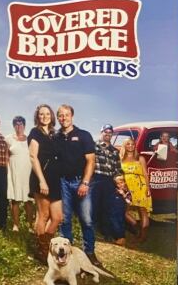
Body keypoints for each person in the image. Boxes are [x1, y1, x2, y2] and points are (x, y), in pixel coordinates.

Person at [56, 104, 102, 267]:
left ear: (72, 116)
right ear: (58, 118)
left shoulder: (83, 135)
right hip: (63, 182)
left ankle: (89, 253)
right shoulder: (56, 137)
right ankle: (67, 256)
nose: (63, 118)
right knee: (65, 220)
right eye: (60, 115)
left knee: (87, 220)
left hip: (81, 182)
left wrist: (85, 182)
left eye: (66, 115)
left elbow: (91, 161)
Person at [28, 104, 62, 260]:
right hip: (41, 178)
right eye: (41, 114)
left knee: (57, 217)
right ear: (37, 116)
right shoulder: (35, 132)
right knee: (43, 215)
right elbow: (33, 157)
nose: (44, 116)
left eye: (47, 113)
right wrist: (42, 181)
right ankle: (41, 250)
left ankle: (45, 242)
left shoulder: (55, 134)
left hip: (55, 179)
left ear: (51, 116)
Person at [91, 124, 122, 241]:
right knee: (93, 206)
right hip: (96, 179)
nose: (108, 134)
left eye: (110, 132)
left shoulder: (115, 151)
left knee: (107, 207)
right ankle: (91, 232)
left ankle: (106, 233)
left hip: (109, 181)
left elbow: (118, 169)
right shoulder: (94, 146)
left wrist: (120, 183)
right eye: (105, 132)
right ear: (101, 133)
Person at [5, 116, 35, 232]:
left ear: (24, 125)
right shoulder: (8, 139)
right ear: (14, 126)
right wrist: (7, 172)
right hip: (14, 172)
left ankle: (30, 225)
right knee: (15, 200)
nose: (19, 126)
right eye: (16, 124)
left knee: (28, 201)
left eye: (21, 124)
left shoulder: (30, 139)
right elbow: (6, 157)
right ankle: (16, 225)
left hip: (27, 172)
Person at [121, 137, 153, 243]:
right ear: (124, 146)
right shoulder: (120, 158)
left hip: (140, 186)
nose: (130, 146)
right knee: (123, 211)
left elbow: (145, 174)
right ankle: (137, 227)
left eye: (132, 144)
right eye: (128, 144)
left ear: (135, 146)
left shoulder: (140, 158)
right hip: (127, 188)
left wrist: (148, 188)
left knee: (142, 211)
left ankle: (143, 236)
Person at [112, 174, 134, 246]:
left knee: (120, 221)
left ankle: (121, 237)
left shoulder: (127, 191)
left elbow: (130, 202)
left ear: (125, 182)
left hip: (122, 208)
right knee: (114, 220)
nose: (119, 185)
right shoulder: (115, 190)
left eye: (121, 183)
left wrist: (123, 195)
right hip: (115, 208)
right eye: (117, 183)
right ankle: (117, 236)